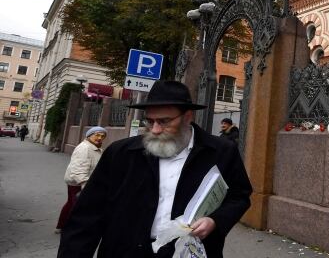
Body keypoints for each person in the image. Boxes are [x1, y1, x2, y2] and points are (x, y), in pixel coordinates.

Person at [57, 80, 252, 258]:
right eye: (150, 121)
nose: (155, 130)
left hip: (189, 251)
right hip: (126, 251)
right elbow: (87, 215)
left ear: (188, 117)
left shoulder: (221, 152)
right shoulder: (121, 153)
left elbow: (239, 196)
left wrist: (216, 221)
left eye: (164, 121)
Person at [56, 126, 106, 232]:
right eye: (96, 135)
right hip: (78, 182)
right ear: (89, 136)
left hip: (81, 181)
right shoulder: (85, 148)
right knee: (77, 206)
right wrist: (84, 183)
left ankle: (62, 225)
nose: (99, 138)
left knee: (72, 203)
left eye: (102, 136)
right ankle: (72, 229)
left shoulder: (94, 147)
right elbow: (79, 167)